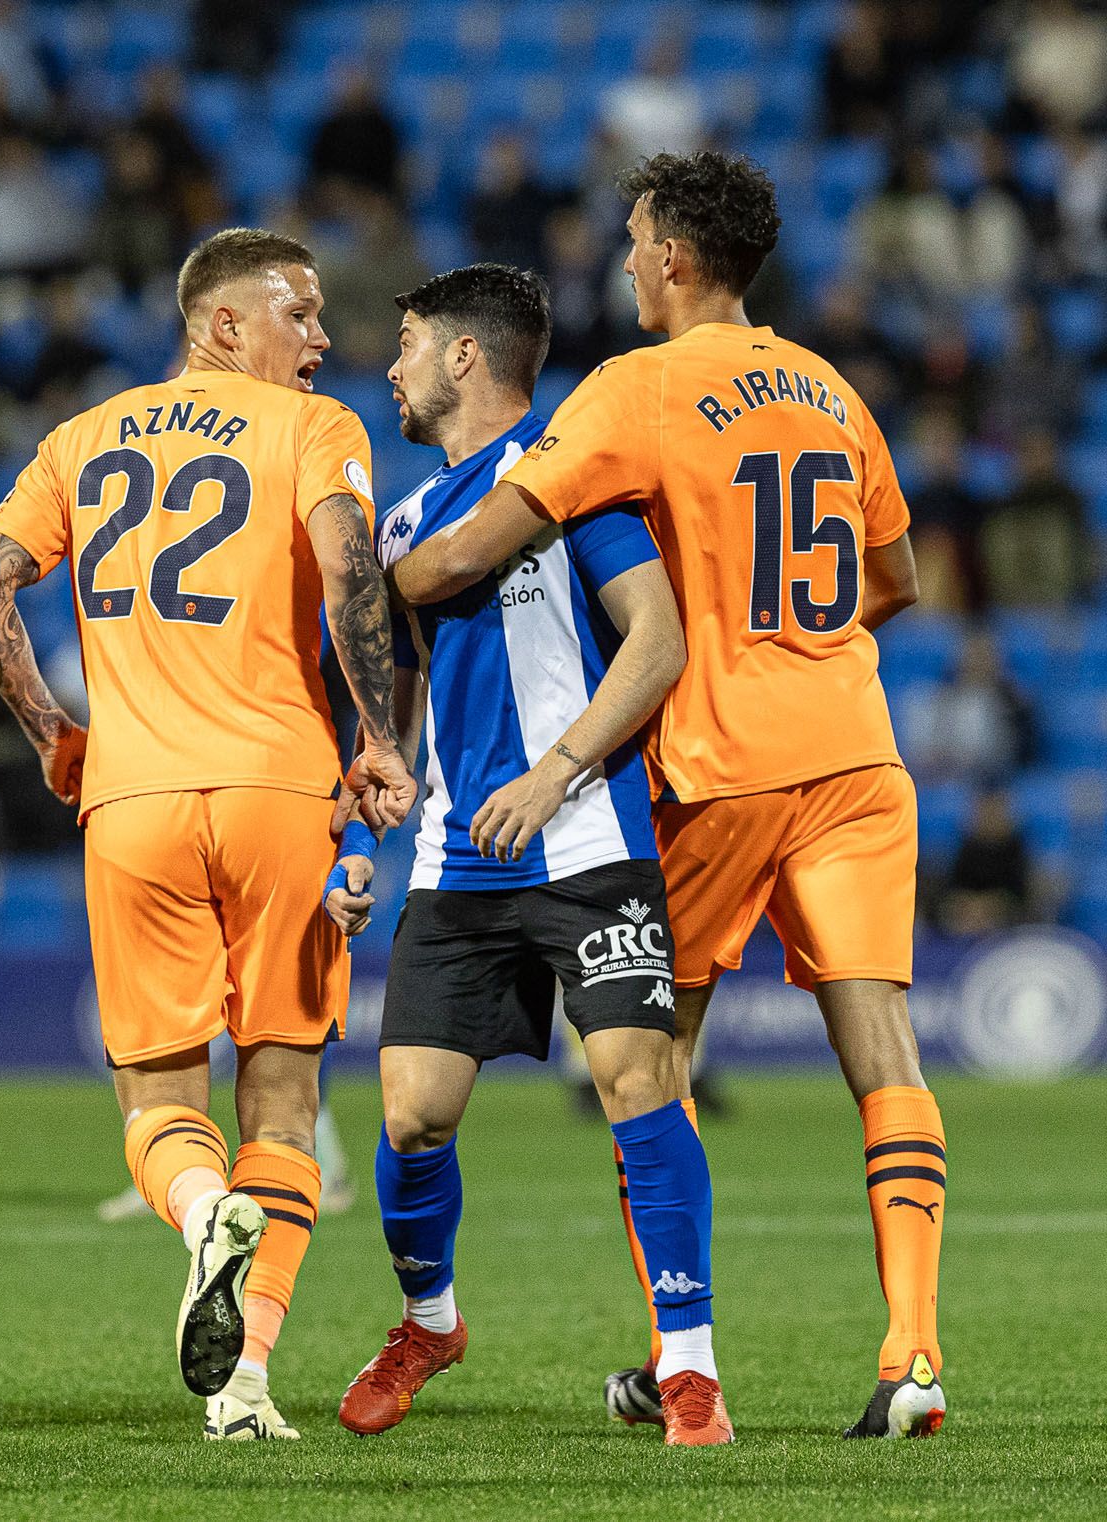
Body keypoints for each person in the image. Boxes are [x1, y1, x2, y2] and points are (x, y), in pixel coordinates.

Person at [388, 152, 944, 1441]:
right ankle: (912, 1353)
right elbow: (896, 577)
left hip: (715, 766)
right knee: (886, 1055)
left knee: (650, 1065)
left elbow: (472, 547)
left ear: (679, 260)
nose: (626, 260)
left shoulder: (633, 390)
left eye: (637, 241)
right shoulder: (831, 387)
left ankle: (678, 1356)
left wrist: (370, 575)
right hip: (857, 755)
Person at [0, 227, 414, 1441]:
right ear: (222, 325)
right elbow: (352, 571)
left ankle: (203, 1211)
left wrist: (55, 728)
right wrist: (380, 737)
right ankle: (245, 1380)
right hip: (277, 793)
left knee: (158, 1104)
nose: (322, 339)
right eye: (298, 315)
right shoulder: (316, 432)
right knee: (284, 1105)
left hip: (134, 797)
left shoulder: (79, 438)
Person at [320, 265, 722, 1445]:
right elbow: (383, 724)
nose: (387, 367)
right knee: (410, 1120)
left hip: (590, 842)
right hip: (456, 864)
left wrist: (556, 774)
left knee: (640, 1084)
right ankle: (429, 1320)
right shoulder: (402, 525)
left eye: (403, 342)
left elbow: (657, 645)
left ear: (462, 357)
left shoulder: (577, 480)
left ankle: (689, 1368)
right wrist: (357, 842)